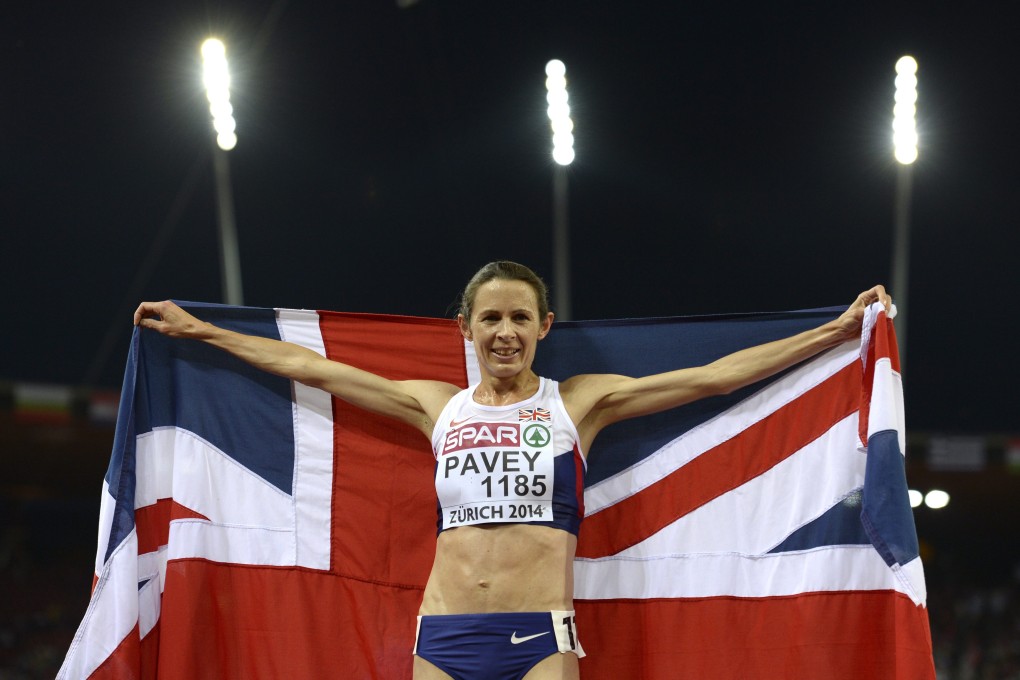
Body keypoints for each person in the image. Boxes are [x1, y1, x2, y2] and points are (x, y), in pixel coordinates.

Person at [134, 261, 891, 680]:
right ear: (465, 328)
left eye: (519, 317)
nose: (504, 332)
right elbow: (309, 366)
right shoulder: (438, 406)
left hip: (539, 637)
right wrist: (202, 331)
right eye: (490, 318)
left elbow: (713, 378)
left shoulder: (581, 404)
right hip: (442, 634)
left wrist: (832, 331)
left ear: (544, 327)